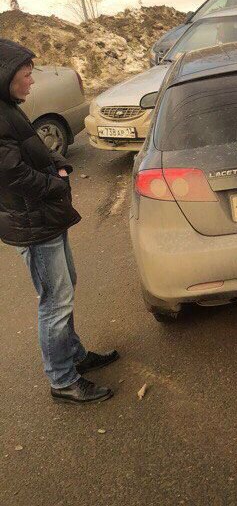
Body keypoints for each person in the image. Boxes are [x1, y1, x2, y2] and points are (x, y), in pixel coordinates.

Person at [0, 39, 118, 404]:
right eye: (26, 74)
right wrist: (55, 183)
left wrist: (56, 161)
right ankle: (62, 379)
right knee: (55, 300)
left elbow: (31, 145)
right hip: (31, 222)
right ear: (5, 77)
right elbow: (11, 175)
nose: (32, 81)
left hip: (41, 218)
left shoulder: (8, 107)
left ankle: (74, 356)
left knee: (65, 289)